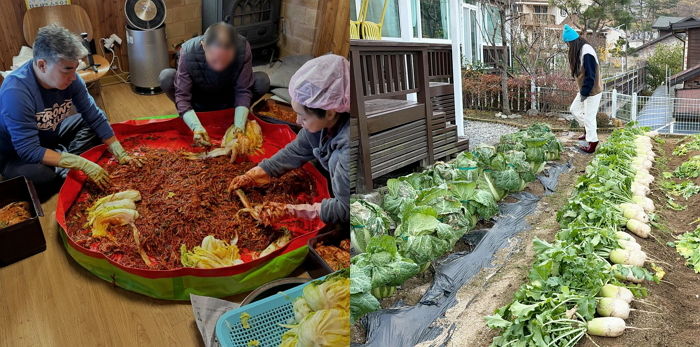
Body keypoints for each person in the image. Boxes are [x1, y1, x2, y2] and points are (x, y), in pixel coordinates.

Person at [0, 25, 140, 201]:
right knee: (44, 177)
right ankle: (65, 162)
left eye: (75, 68)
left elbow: (94, 116)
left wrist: (119, 151)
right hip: (16, 155)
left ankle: (63, 160)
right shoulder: (16, 91)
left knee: (95, 125)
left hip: (51, 135)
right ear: (42, 65)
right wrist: (79, 162)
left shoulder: (72, 78)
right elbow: (28, 149)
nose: (74, 77)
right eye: (66, 70)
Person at [227, 55, 349, 225]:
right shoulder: (323, 122)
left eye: (303, 117)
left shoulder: (349, 149)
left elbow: (345, 208)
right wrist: (258, 172)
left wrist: (290, 211)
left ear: (330, 112)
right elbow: (298, 149)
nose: (298, 122)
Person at [159, 22, 270, 147]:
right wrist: (196, 127)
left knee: (262, 81)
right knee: (166, 77)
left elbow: (243, 90)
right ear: (204, 46)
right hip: (198, 100)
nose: (219, 67)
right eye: (215, 60)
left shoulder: (242, 48)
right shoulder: (188, 51)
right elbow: (182, 96)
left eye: (225, 60)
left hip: (228, 98)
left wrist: (238, 129)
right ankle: (191, 115)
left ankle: (233, 114)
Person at [563, 24, 603, 153]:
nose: (568, 46)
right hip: (585, 89)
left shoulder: (587, 51)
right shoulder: (581, 50)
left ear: (573, 42)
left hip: (592, 90)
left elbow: (591, 75)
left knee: (589, 117)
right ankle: (587, 130)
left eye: (568, 44)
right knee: (574, 110)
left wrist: (585, 92)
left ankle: (593, 142)